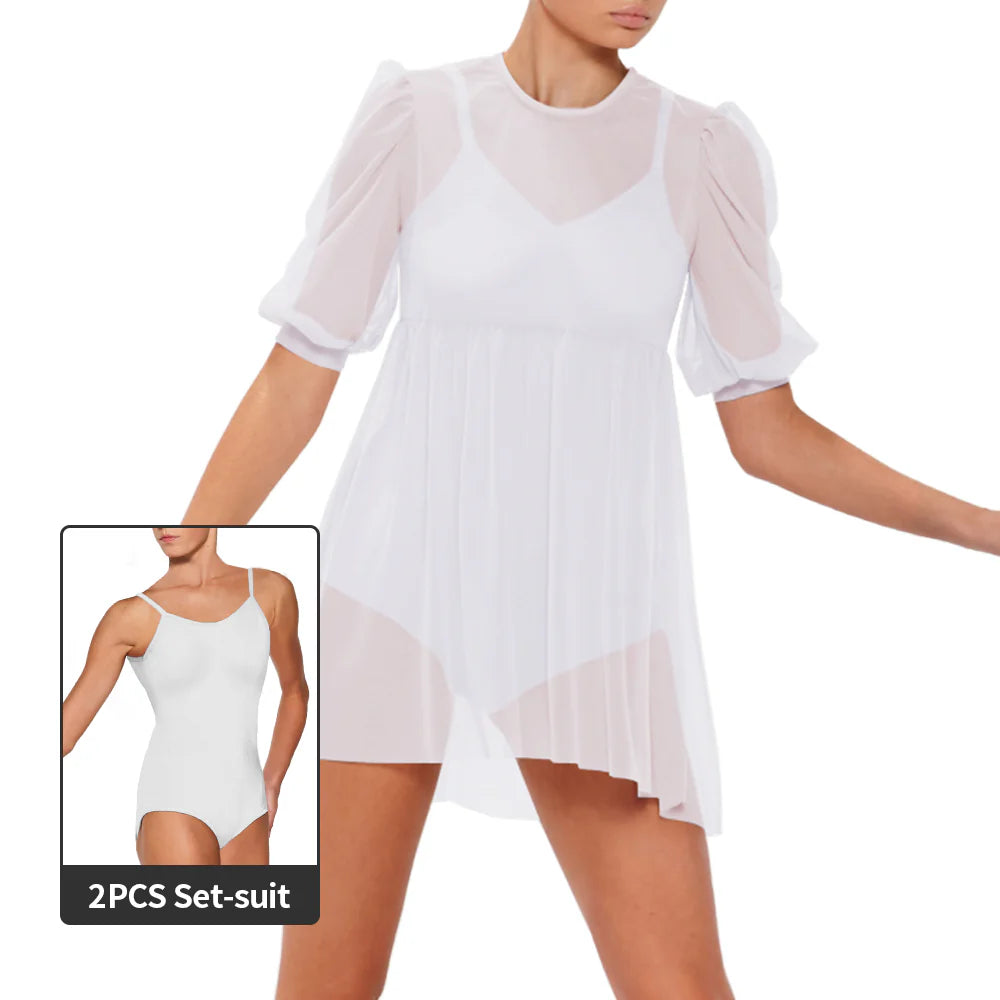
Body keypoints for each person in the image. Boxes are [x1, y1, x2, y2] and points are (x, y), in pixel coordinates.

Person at [184, 1, 999, 995]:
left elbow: (768, 433)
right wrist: (193, 549)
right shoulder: (418, 117)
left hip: (588, 622)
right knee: (327, 986)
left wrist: (983, 526)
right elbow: (296, 375)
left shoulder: (697, 153)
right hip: (397, 595)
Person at [62, 526, 309, 866]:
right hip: (173, 802)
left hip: (249, 806)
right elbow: (64, 734)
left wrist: (273, 781)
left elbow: (295, 691)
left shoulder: (270, 591)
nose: (164, 526)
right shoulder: (130, 616)